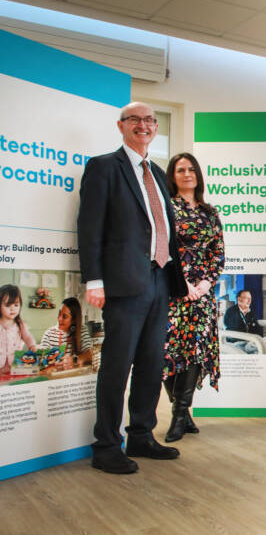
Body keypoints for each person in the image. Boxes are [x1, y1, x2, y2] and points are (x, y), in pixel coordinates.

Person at [77, 102, 187, 474]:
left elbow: (162, 228)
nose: (144, 125)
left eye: (150, 121)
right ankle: (107, 444)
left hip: (160, 279)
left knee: (151, 364)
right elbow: (90, 227)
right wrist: (94, 279)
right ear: (121, 126)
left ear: (156, 128)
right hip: (124, 283)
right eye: (135, 120)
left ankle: (141, 434)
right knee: (117, 365)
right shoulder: (104, 167)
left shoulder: (157, 172)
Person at [162, 153, 225, 442]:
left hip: (203, 293)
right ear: (172, 175)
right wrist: (183, 282)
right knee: (169, 352)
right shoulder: (166, 207)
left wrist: (205, 283)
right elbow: (161, 248)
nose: (187, 174)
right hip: (173, 288)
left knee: (196, 350)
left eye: (191, 169)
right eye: (180, 170)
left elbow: (218, 253)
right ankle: (183, 413)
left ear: (198, 174)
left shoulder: (211, 212)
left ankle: (179, 415)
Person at [40, 297, 92, 369]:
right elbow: (41, 357)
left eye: (65, 316)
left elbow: (90, 354)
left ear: (73, 320)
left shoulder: (81, 330)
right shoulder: (49, 333)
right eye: (59, 314)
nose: (59, 318)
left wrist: (75, 360)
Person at [0, 284, 37, 375]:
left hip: (15, 365)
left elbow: (27, 337)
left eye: (16, 305)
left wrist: (32, 345)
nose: (12, 309)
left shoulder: (20, 324)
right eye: (7, 305)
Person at [223, 289, 262, 354]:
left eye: (250, 298)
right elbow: (234, 328)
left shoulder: (250, 312)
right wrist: (244, 314)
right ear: (239, 299)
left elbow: (257, 329)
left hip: (251, 341)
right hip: (236, 342)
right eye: (247, 298)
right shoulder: (231, 311)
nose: (249, 300)